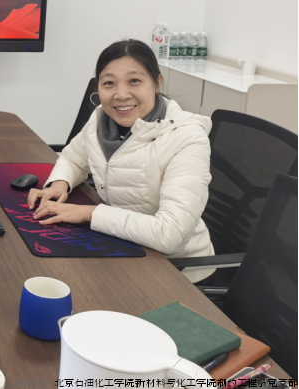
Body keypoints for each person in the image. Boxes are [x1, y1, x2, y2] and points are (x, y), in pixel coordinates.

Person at [27, 39, 215, 283]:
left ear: (156, 83)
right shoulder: (101, 120)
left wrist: (88, 214)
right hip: (121, 246)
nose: (121, 94)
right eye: (109, 83)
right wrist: (59, 184)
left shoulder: (186, 138)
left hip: (176, 269)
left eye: (134, 80)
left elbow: (170, 235)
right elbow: (73, 157)